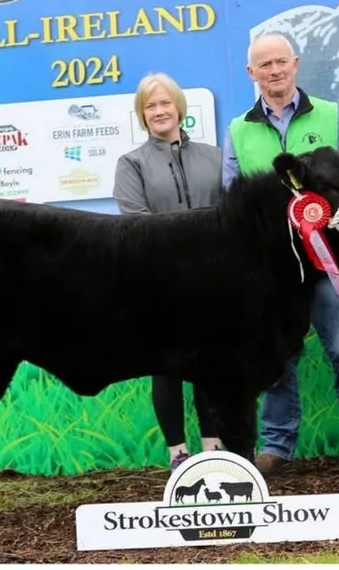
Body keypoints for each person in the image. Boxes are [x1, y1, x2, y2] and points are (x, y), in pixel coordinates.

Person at [222, 32, 339, 477]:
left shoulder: (330, 115)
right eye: (265, 65)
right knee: (276, 358)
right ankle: (277, 445)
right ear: (252, 73)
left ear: (295, 63)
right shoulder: (238, 130)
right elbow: (232, 204)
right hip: (271, 275)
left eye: (281, 61)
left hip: (325, 265)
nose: (275, 71)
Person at [113, 72, 223, 471]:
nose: (159, 111)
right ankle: (178, 454)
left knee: (211, 366)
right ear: (142, 115)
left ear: (179, 107)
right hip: (158, 285)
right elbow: (136, 224)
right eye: (150, 106)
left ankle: (214, 450)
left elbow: (230, 217)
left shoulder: (216, 157)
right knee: (166, 368)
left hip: (211, 283)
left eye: (165, 103)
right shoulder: (131, 164)